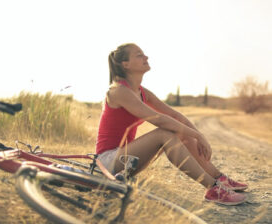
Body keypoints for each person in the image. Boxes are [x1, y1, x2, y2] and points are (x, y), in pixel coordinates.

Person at [96, 43, 248, 205]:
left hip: (128, 161)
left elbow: (174, 115)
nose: (146, 57)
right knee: (164, 133)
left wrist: (198, 136)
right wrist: (197, 134)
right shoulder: (118, 91)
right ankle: (212, 189)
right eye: (139, 55)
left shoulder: (141, 92)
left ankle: (219, 179)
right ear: (125, 64)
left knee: (180, 131)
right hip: (107, 161)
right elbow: (159, 119)